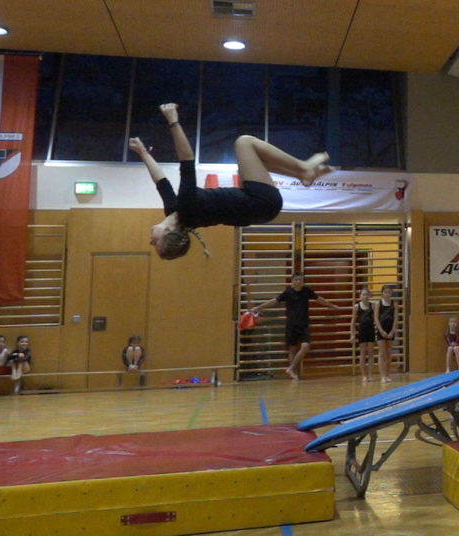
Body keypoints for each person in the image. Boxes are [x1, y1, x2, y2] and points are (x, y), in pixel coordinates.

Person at [130, 102, 333, 260]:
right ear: (168, 231)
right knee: (244, 143)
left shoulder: (174, 210)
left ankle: (301, 175)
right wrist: (173, 121)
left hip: (257, 206)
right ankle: (303, 168)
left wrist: (142, 152)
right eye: (155, 241)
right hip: (261, 202)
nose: (150, 241)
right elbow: (187, 159)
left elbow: (161, 182)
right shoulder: (187, 207)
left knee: (251, 161)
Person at [249, 274, 345, 380]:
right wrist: (258, 307)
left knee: (305, 346)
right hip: (291, 324)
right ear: (292, 281)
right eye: (296, 280)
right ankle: (293, 373)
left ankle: (291, 367)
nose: (298, 281)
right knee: (292, 349)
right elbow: (274, 301)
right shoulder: (288, 292)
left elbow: (320, 299)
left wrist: (332, 306)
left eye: (300, 280)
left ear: (303, 282)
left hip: (303, 325)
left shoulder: (307, 291)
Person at [352, 286, 378, 384]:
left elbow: (375, 319)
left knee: (370, 353)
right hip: (362, 331)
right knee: (363, 353)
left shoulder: (372, 306)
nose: (365, 296)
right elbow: (353, 321)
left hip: (370, 330)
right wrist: (352, 334)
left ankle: (370, 375)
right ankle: (364, 375)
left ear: (370, 296)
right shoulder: (357, 307)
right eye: (363, 294)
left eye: (367, 294)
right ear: (360, 296)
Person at [374, 285, 399, 384]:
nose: (388, 294)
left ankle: (388, 374)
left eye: (389, 292)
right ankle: (382, 376)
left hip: (390, 329)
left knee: (388, 352)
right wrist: (381, 331)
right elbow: (376, 318)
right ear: (382, 293)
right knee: (382, 353)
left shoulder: (394, 304)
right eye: (386, 292)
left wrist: (393, 331)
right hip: (381, 329)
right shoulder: (378, 304)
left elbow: (396, 318)